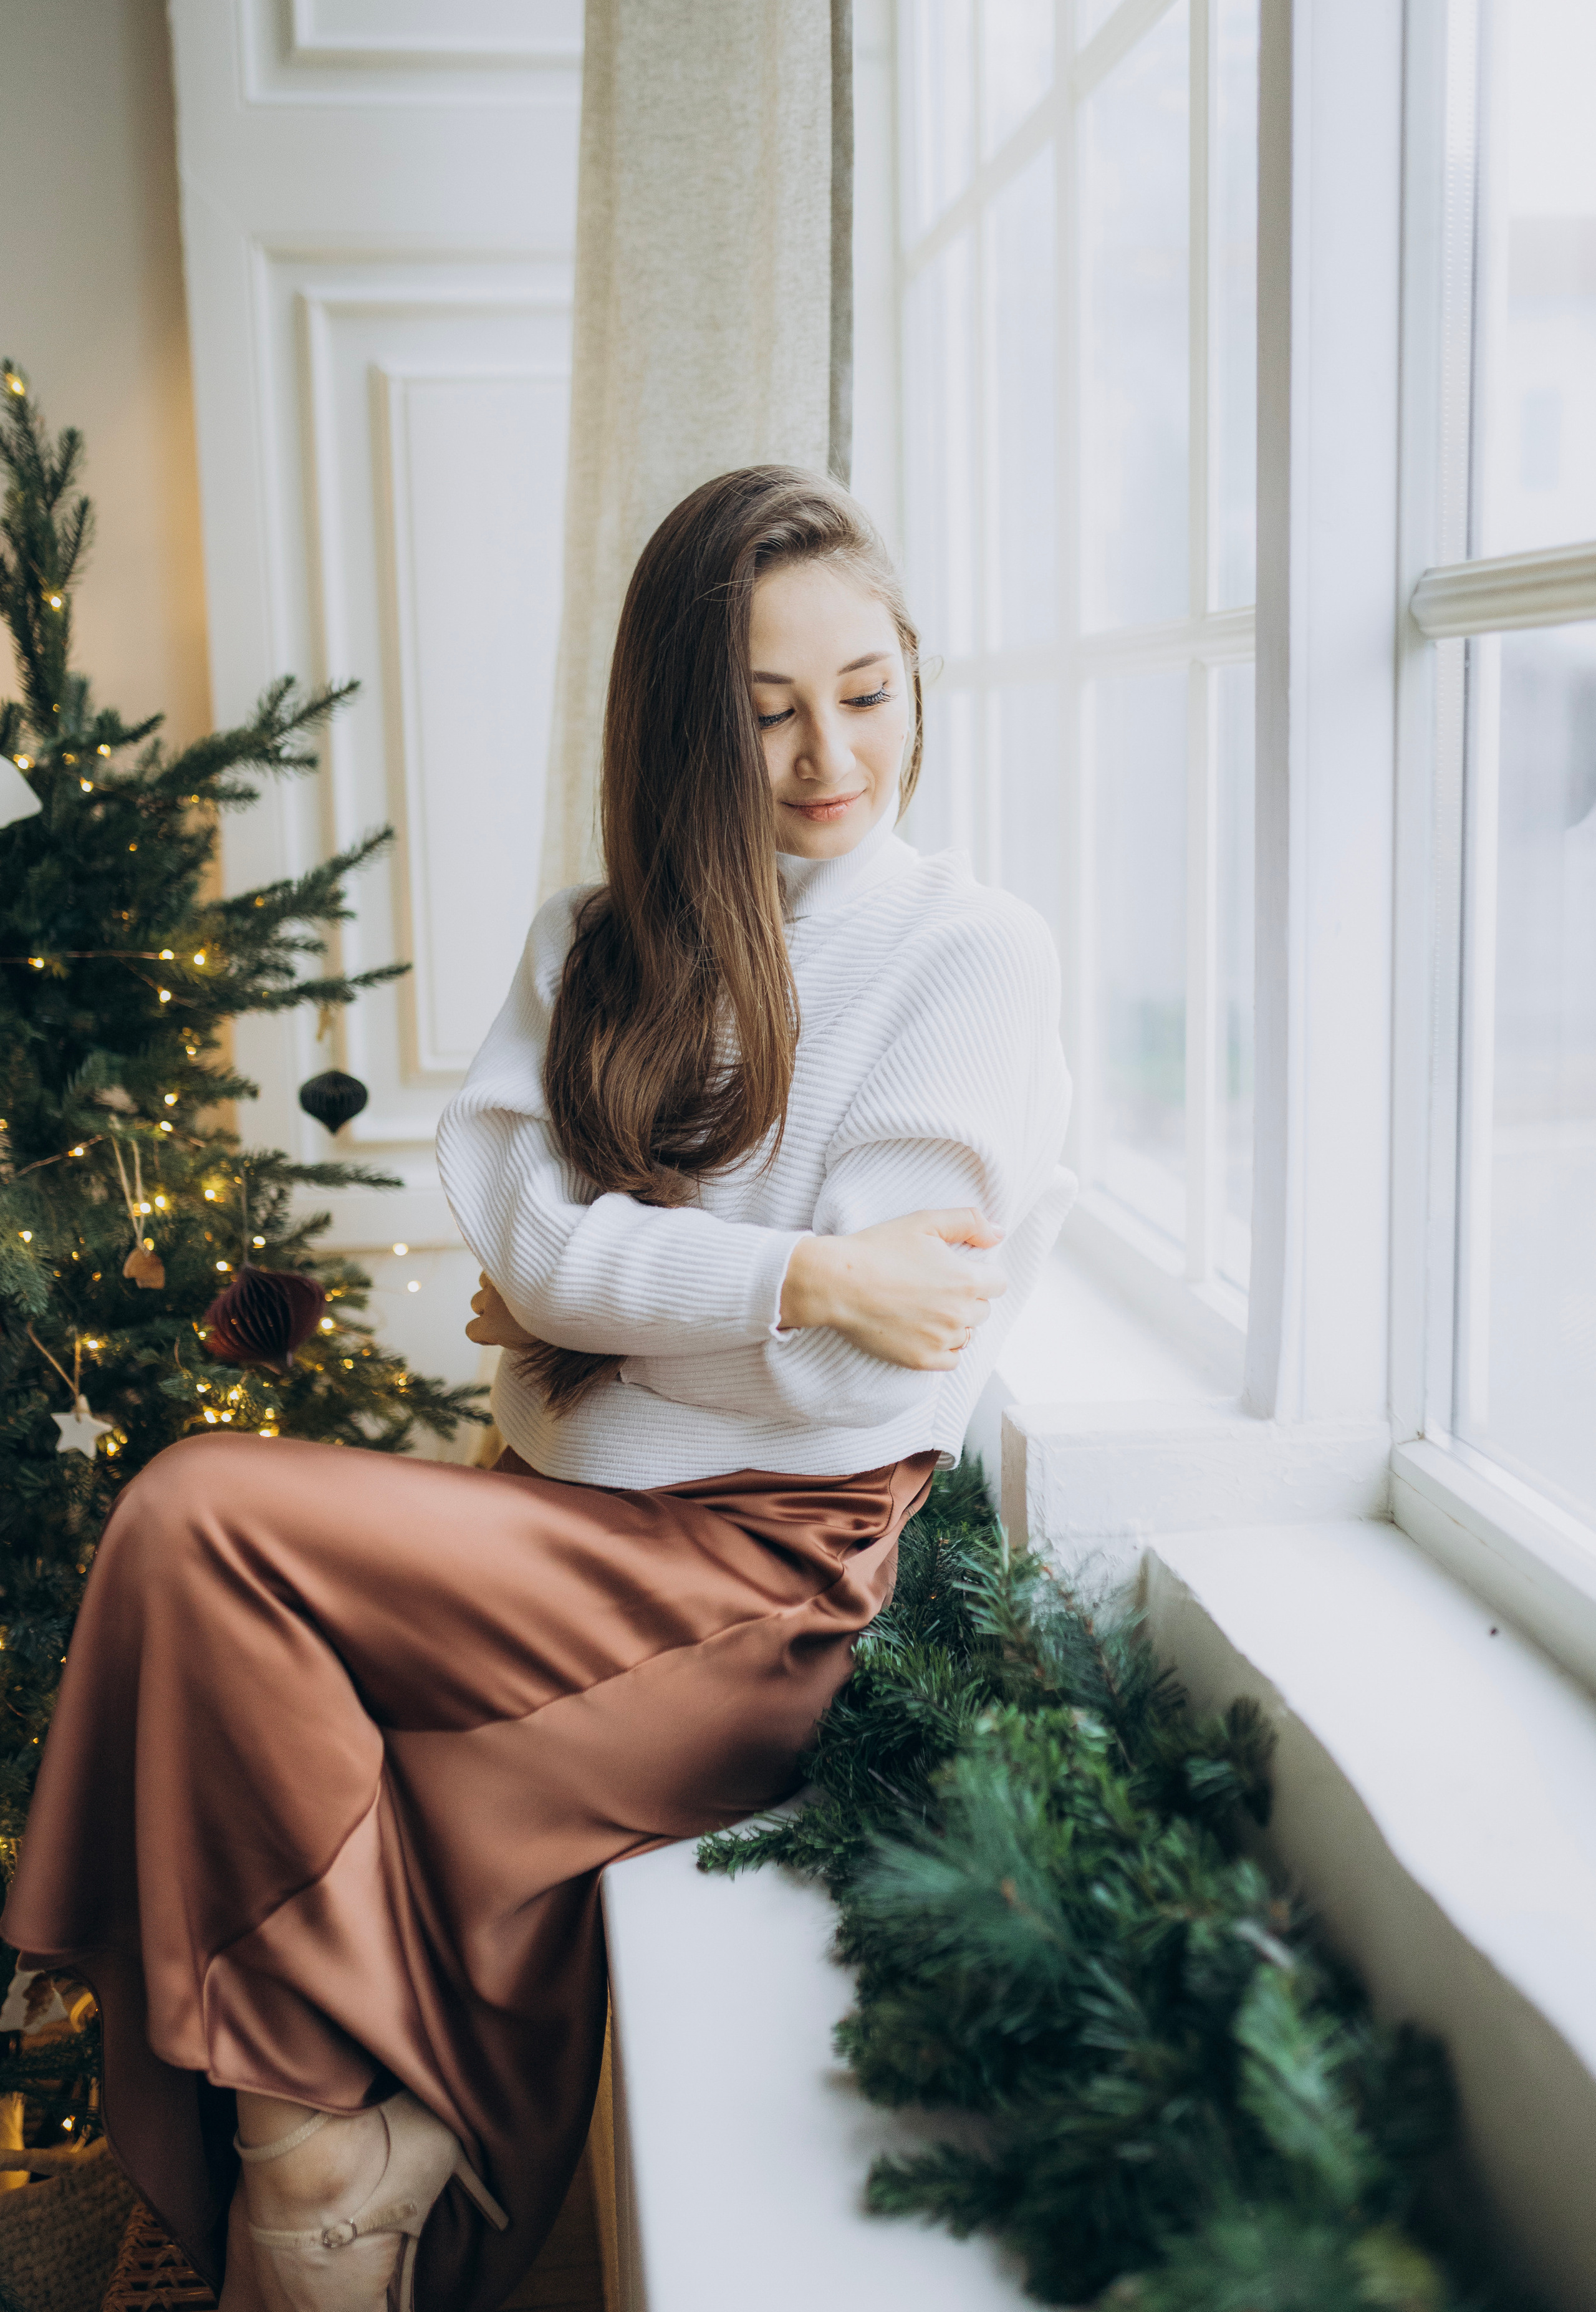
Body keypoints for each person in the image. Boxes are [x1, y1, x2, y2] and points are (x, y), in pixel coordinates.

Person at [0, 468, 1075, 2312]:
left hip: (758, 1586)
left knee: (195, 1509)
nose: (833, 753)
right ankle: (315, 2165)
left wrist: (639, 1297)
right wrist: (783, 1266)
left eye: (871, 688)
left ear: (917, 678)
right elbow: (526, 1236)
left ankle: (294, 2154)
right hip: (556, 1533)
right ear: (680, 727)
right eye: (765, 713)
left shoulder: (973, 957)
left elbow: (822, 1379)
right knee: (236, 1641)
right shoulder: (595, 939)